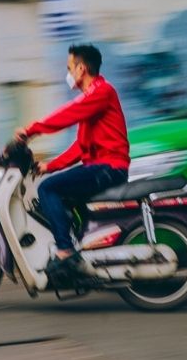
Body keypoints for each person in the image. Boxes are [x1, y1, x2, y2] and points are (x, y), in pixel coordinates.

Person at [15, 43, 130, 268]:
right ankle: (77, 243)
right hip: (100, 167)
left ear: (81, 69)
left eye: (69, 68)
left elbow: (67, 114)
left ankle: (65, 251)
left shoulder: (101, 92)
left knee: (48, 189)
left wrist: (31, 130)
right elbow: (81, 146)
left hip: (109, 168)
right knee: (56, 190)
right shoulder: (93, 98)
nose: (68, 74)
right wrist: (51, 166)